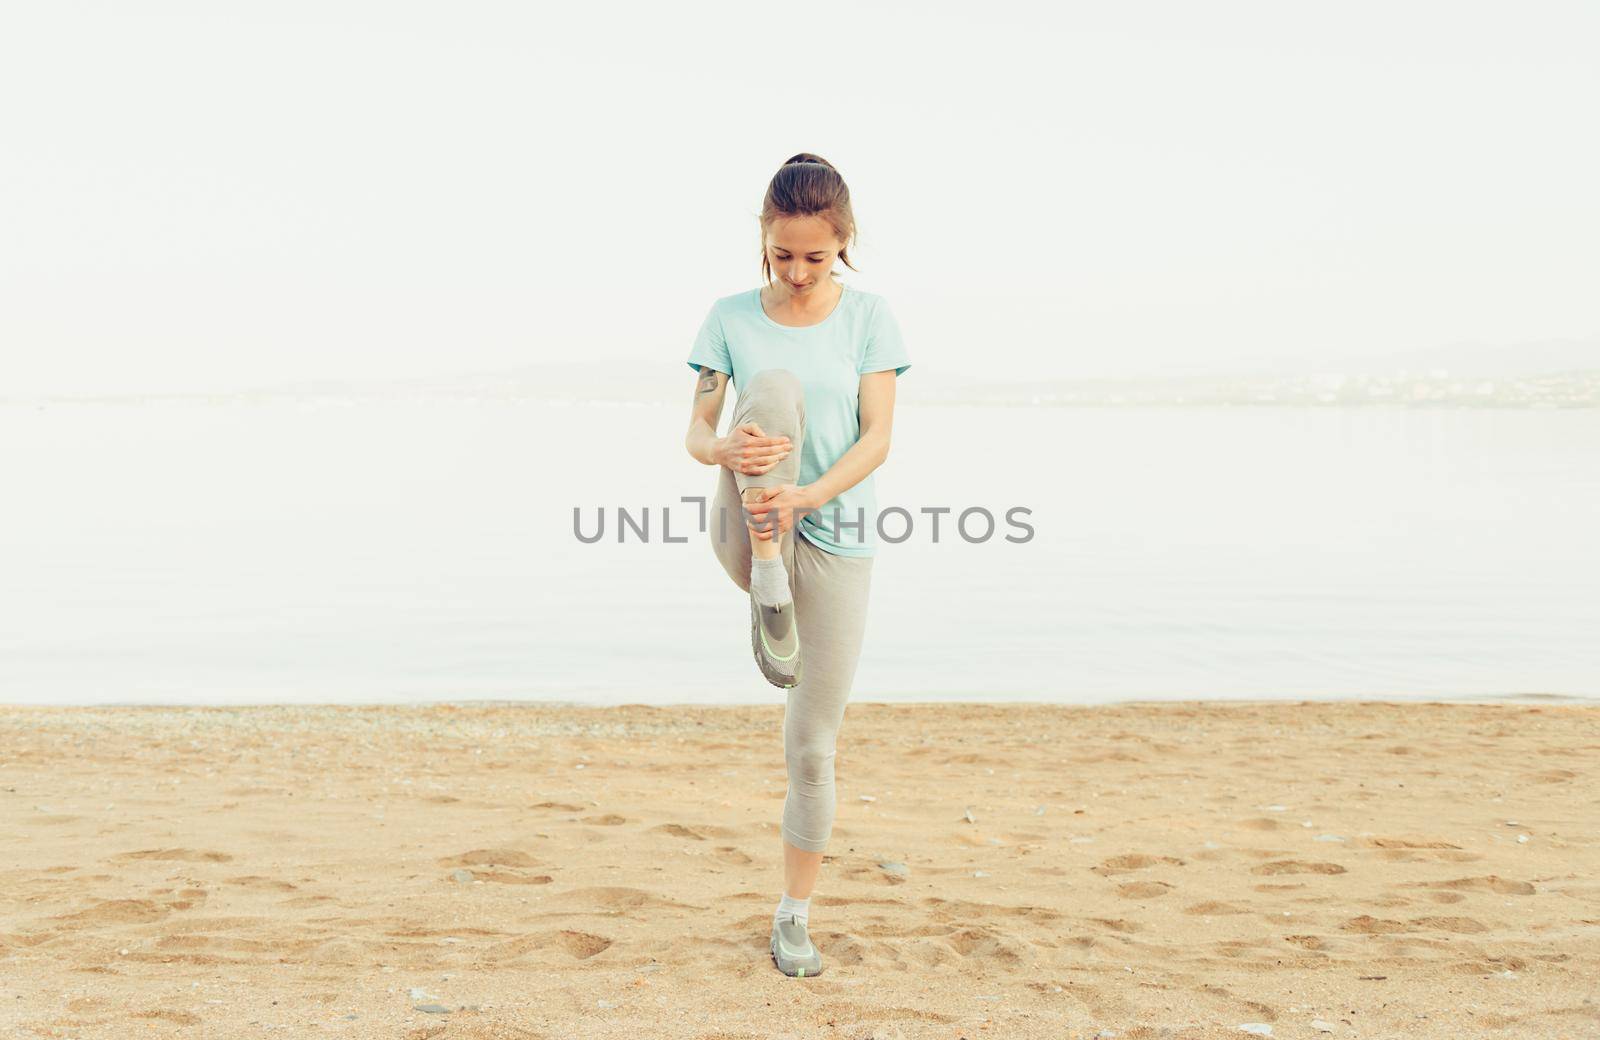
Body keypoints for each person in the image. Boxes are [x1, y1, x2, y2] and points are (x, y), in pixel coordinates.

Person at [682, 153, 911, 978]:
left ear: (842, 241)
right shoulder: (729, 319)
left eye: (817, 256)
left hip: (832, 530)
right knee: (770, 387)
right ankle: (768, 582)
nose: (799, 271)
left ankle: (794, 913)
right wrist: (727, 447)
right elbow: (697, 434)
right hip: (750, 527)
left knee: (812, 746)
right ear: (765, 242)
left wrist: (808, 496)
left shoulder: (871, 319)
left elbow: (878, 437)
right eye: (784, 255)